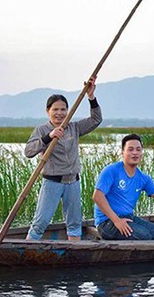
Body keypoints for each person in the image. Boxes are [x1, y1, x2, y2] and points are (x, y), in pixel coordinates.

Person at [24, 76, 102, 241]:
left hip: (72, 182)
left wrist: (91, 97)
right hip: (52, 182)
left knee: (74, 224)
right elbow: (28, 151)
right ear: (48, 111)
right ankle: (27, 248)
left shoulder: (73, 127)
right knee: (41, 222)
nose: (59, 113)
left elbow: (96, 120)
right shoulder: (41, 129)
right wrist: (49, 137)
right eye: (55, 109)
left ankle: (75, 252)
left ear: (68, 111)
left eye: (63, 109)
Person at [92, 134, 154, 240]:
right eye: (130, 149)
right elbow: (97, 197)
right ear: (122, 152)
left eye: (138, 149)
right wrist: (117, 221)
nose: (135, 153)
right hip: (107, 222)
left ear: (141, 152)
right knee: (144, 236)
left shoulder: (143, 178)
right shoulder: (111, 170)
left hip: (128, 217)